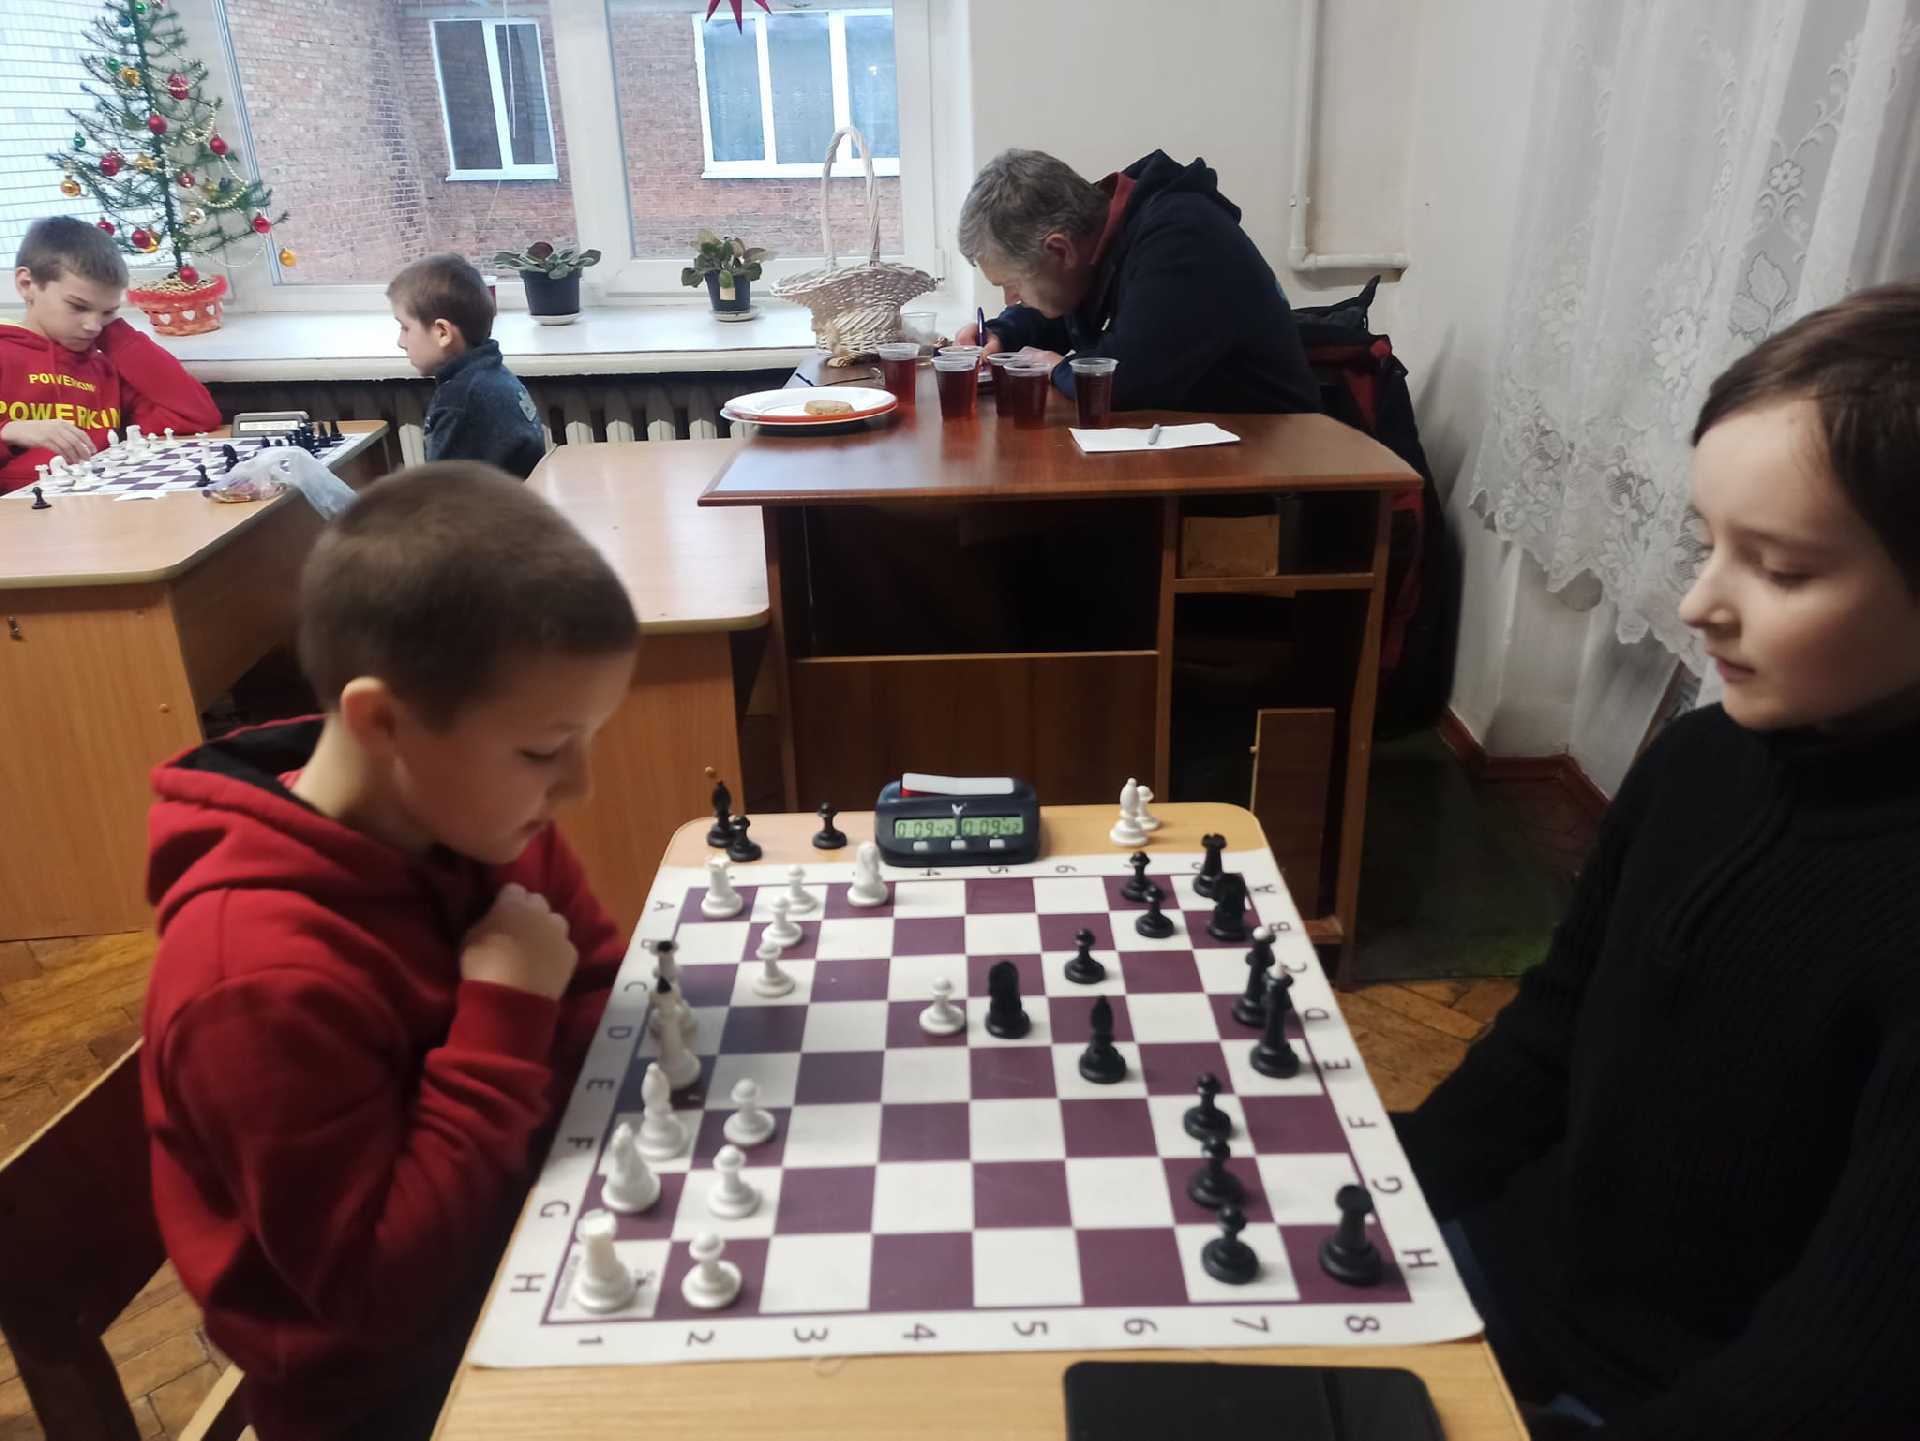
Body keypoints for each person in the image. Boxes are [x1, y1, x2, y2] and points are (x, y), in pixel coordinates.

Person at [1394, 282, 1920, 1439]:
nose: (1698, 603)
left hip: (1664, 1396)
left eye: (1779, 570)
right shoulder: (1696, 761)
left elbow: (1840, 1371)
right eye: (1704, 544)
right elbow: (1550, 1034)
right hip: (1518, 1269)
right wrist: (1381, 1185)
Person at [142, 463, 639, 1441]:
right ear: (381, 722)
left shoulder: (483, 817)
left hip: (540, 1255)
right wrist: (504, 1015)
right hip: (390, 1394)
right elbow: (379, 1291)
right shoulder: (250, 981)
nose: (576, 787)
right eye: (546, 749)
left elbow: (596, 1008)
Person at [953, 148, 1319, 414]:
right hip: (1202, 444)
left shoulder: (1181, 238)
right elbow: (1065, 306)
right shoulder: (1100, 234)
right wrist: (1004, 334)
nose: (1011, 298)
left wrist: (1055, 367)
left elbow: (1125, 382)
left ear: (1060, 250)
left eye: (1013, 282)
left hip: (1274, 461)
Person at [0, 216, 219, 492]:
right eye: (78, 307)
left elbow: (197, 416)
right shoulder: (5, 353)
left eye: (107, 312)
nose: (93, 326)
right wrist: (8, 431)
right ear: (26, 284)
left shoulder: (104, 368)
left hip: (96, 504)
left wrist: (116, 335)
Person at [387, 254, 546, 478]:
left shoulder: (461, 402)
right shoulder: (492, 374)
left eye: (405, 328)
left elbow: (450, 493)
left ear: (442, 333)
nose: (401, 342)